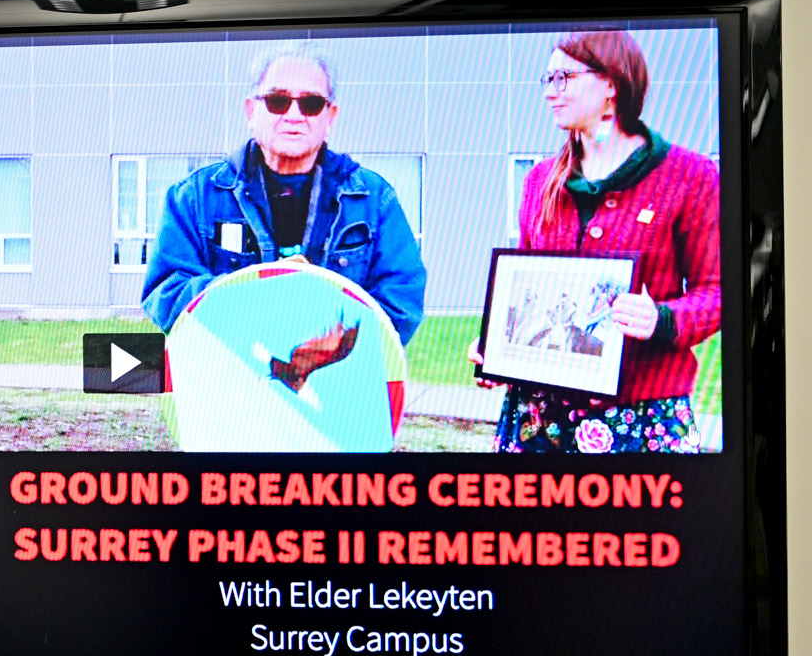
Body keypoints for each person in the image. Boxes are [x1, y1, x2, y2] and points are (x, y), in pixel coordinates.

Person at [486, 30, 720, 452]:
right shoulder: (540, 181)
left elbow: (719, 292)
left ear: (611, 83)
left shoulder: (691, 176)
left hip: (642, 419)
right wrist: (497, 348)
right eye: (548, 80)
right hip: (538, 418)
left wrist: (663, 319)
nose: (550, 92)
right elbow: (530, 295)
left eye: (564, 77)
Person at [141, 42, 426, 345]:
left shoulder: (374, 200)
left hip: (336, 385)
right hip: (228, 383)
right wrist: (261, 292)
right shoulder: (195, 197)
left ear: (330, 117)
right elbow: (167, 292)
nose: (294, 115)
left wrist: (322, 335)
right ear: (251, 110)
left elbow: (401, 302)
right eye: (278, 100)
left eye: (311, 103)